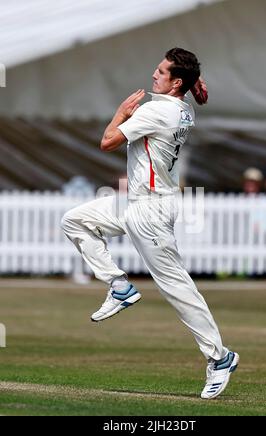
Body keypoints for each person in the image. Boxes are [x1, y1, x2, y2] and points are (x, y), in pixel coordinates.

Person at [61, 48, 239, 400]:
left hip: (152, 211)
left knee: (176, 287)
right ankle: (119, 286)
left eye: (162, 71)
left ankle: (220, 358)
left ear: (176, 83)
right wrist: (194, 85)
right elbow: (191, 92)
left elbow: (107, 142)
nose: (153, 74)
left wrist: (120, 113)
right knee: (74, 220)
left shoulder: (157, 111)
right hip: (138, 202)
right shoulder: (183, 108)